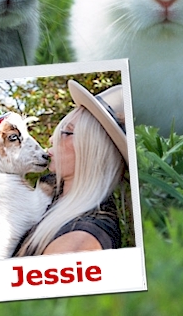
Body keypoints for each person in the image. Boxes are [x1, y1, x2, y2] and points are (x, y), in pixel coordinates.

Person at [10, 79, 129, 256]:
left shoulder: (80, 242)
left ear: (93, 150)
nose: (52, 139)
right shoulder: (52, 194)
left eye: (66, 132)